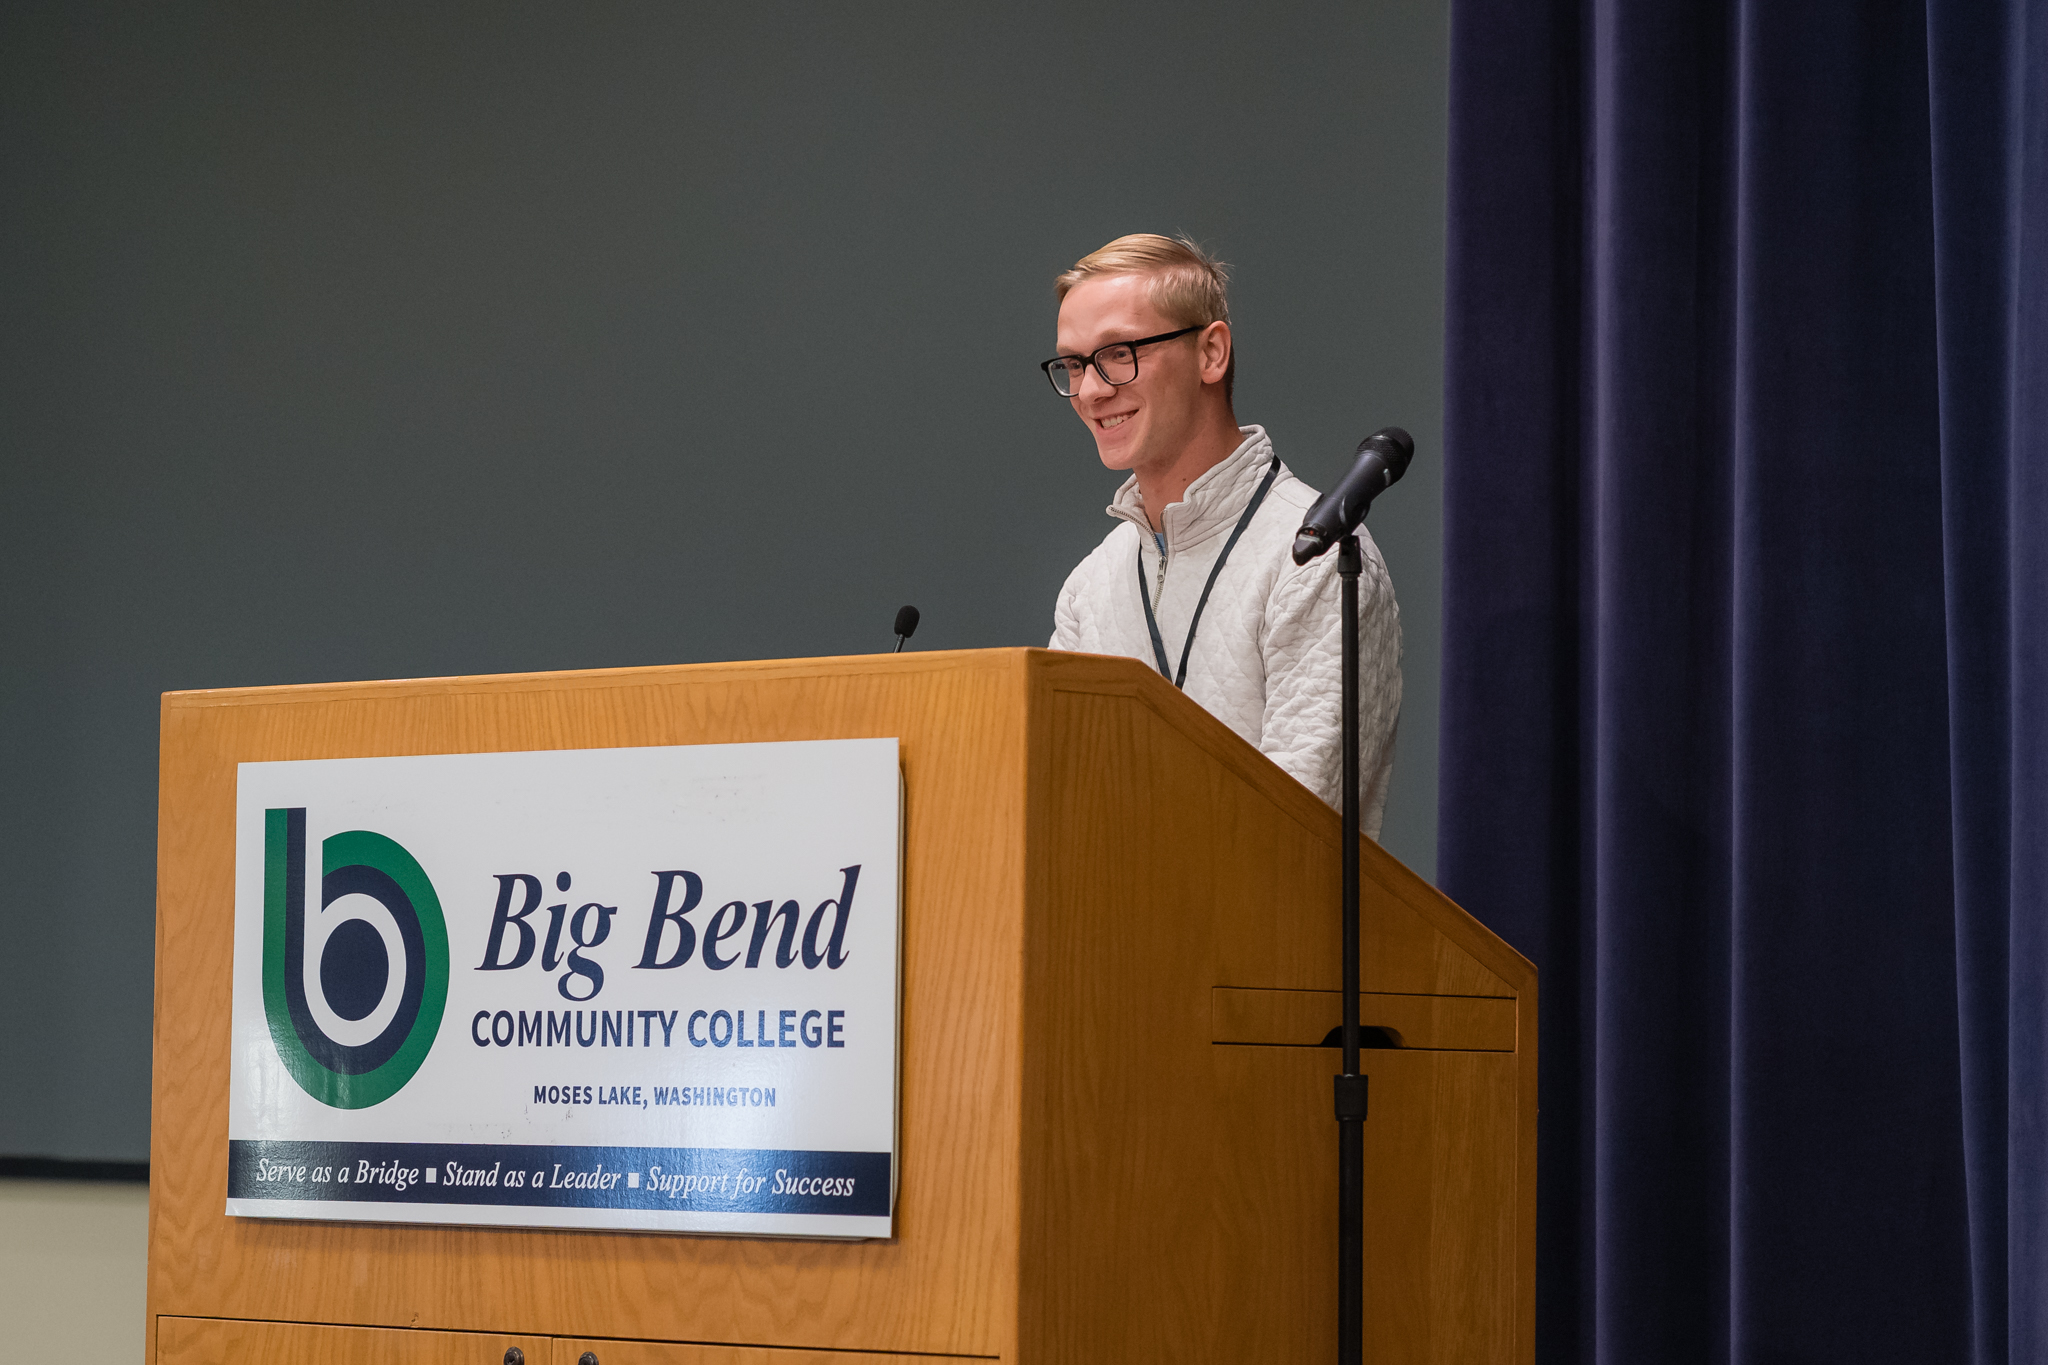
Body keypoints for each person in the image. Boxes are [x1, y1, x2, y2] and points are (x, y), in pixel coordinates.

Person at [1043, 234, 1402, 838]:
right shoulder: (1090, 586)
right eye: (1074, 364)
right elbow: (1053, 807)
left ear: (1211, 353)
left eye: (1119, 353)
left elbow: (1294, 828)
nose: (1092, 390)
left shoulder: (1317, 559)